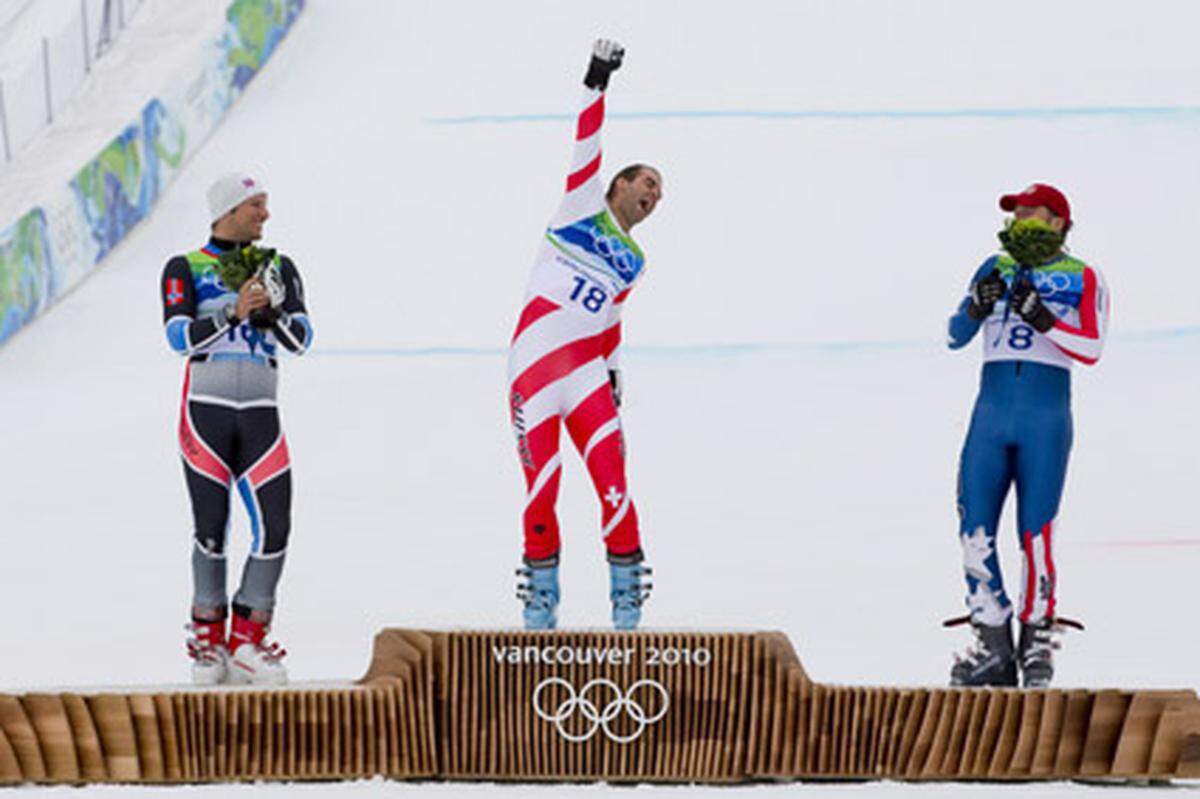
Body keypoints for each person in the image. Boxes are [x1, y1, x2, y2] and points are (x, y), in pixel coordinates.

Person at [507, 40, 663, 631]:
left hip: (587, 372)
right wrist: (596, 80)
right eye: (647, 183)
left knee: (615, 488)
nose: (653, 196)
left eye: (660, 194)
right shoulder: (578, 206)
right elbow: (586, 144)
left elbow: (610, 319)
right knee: (541, 491)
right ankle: (540, 607)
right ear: (618, 185)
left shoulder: (635, 259)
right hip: (535, 369)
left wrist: (615, 369)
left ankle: (627, 608)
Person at [946, 183, 1108, 687]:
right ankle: (991, 641)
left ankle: (1036, 640)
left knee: (1036, 536)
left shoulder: (1083, 275)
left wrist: (1043, 319)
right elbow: (954, 335)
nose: (1020, 219)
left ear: (1059, 221)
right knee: (974, 528)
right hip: (989, 417)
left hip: (1045, 419)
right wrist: (975, 308)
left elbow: (1092, 345)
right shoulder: (993, 266)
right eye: (1015, 213)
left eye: (1032, 212)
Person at [160, 172, 313, 685]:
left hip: (262, 415)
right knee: (211, 529)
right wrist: (232, 311)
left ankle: (248, 638)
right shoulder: (186, 266)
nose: (265, 215)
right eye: (257, 206)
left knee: (276, 527)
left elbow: (302, 338)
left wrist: (268, 316)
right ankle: (208, 642)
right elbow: (179, 337)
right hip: (206, 412)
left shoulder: (278, 266)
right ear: (229, 210)